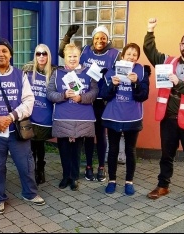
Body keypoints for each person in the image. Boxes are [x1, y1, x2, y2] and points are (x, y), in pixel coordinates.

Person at [0, 38, 45, 215]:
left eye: (4, 51)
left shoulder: (20, 75)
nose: (1, 54)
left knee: (26, 164)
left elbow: (29, 101)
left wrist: (10, 117)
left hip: (16, 130)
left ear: (10, 55)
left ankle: (30, 193)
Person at [144, 18, 184, 208]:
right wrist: (150, 30)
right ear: (180, 44)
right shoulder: (168, 61)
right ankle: (163, 186)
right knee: (166, 155)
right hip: (169, 119)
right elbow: (151, 52)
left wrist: (178, 83)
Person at [59, 25, 121, 182]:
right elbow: (64, 53)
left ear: (108, 39)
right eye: (97, 37)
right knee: (87, 135)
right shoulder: (85, 50)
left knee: (100, 135)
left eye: (103, 38)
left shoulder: (114, 54)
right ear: (92, 39)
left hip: (101, 100)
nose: (100, 40)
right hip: (84, 98)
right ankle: (88, 166)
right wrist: (68, 36)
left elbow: (121, 72)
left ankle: (101, 166)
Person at [100, 43, 150, 195]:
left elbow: (143, 96)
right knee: (113, 149)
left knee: (130, 150)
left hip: (132, 116)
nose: (131, 57)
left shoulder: (141, 71)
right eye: (129, 54)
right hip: (114, 115)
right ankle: (112, 180)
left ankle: (129, 182)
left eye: (135, 55)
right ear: (123, 55)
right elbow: (104, 94)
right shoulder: (112, 70)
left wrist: (136, 84)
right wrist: (113, 86)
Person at [47, 43, 99, 191]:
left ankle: (74, 177)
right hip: (63, 117)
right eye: (69, 56)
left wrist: (81, 97)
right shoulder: (57, 73)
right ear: (65, 58)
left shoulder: (88, 72)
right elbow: (50, 93)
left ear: (79, 57)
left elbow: (95, 92)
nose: (72, 59)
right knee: (63, 149)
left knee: (76, 149)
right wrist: (63, 95)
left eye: (75, 56)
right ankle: (65, 176)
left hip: (81, 118)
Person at [22, 44, 57, 185]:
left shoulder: (54, 71)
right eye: (38, 54)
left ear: (48, 55)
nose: (41, 56)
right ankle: (31, 170)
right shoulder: (27, 69)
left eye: (44, 53)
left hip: (45, 116)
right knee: (30, 146)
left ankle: (40, 169)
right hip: (31, 115)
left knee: (40, 145)